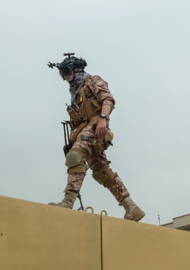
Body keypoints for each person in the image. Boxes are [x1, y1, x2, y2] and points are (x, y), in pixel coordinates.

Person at [47, 53, 145, 221]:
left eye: (66, 73)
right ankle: (132, 208)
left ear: (75, 70)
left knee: (75, 156)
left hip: (95, 127)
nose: (65, 78)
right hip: (85, 130)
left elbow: (108, 99)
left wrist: (103, 119)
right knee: (101, 171)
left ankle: (67, 203)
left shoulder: (92, 81)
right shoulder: (76, 91)